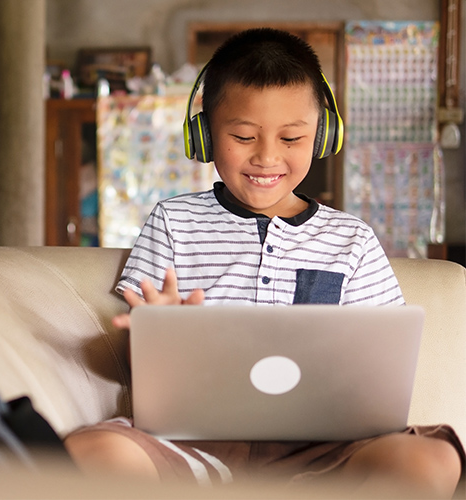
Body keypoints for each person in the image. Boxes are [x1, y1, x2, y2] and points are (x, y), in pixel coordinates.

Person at [64, 29, 464, 498]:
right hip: (191, 441)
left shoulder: (351, 238)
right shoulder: (173, 221)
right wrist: (153, 333)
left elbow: (385, 369)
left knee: (431, 458)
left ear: (323, 136)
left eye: (292, 137)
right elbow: (122, 361)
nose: (267, 156)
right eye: (242, 136)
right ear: (205, 134)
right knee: (91, 450)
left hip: (327, 449)